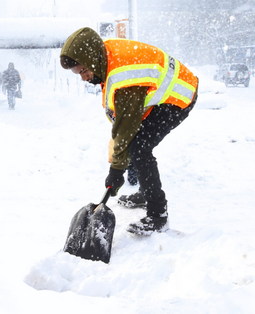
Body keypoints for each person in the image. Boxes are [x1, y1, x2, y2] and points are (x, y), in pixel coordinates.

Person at [60, 27, 198, 235]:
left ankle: (157, 214)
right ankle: (145, 191)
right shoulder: (104, 56)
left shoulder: (123, 76)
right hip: (161, 97)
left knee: (139, 148)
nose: (83, 78)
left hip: (179, 97)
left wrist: (116, 173)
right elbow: (123, 125)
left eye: (82, 71)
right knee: (134, 143)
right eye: (78, 74)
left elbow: (125, 129)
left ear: (90, 60)